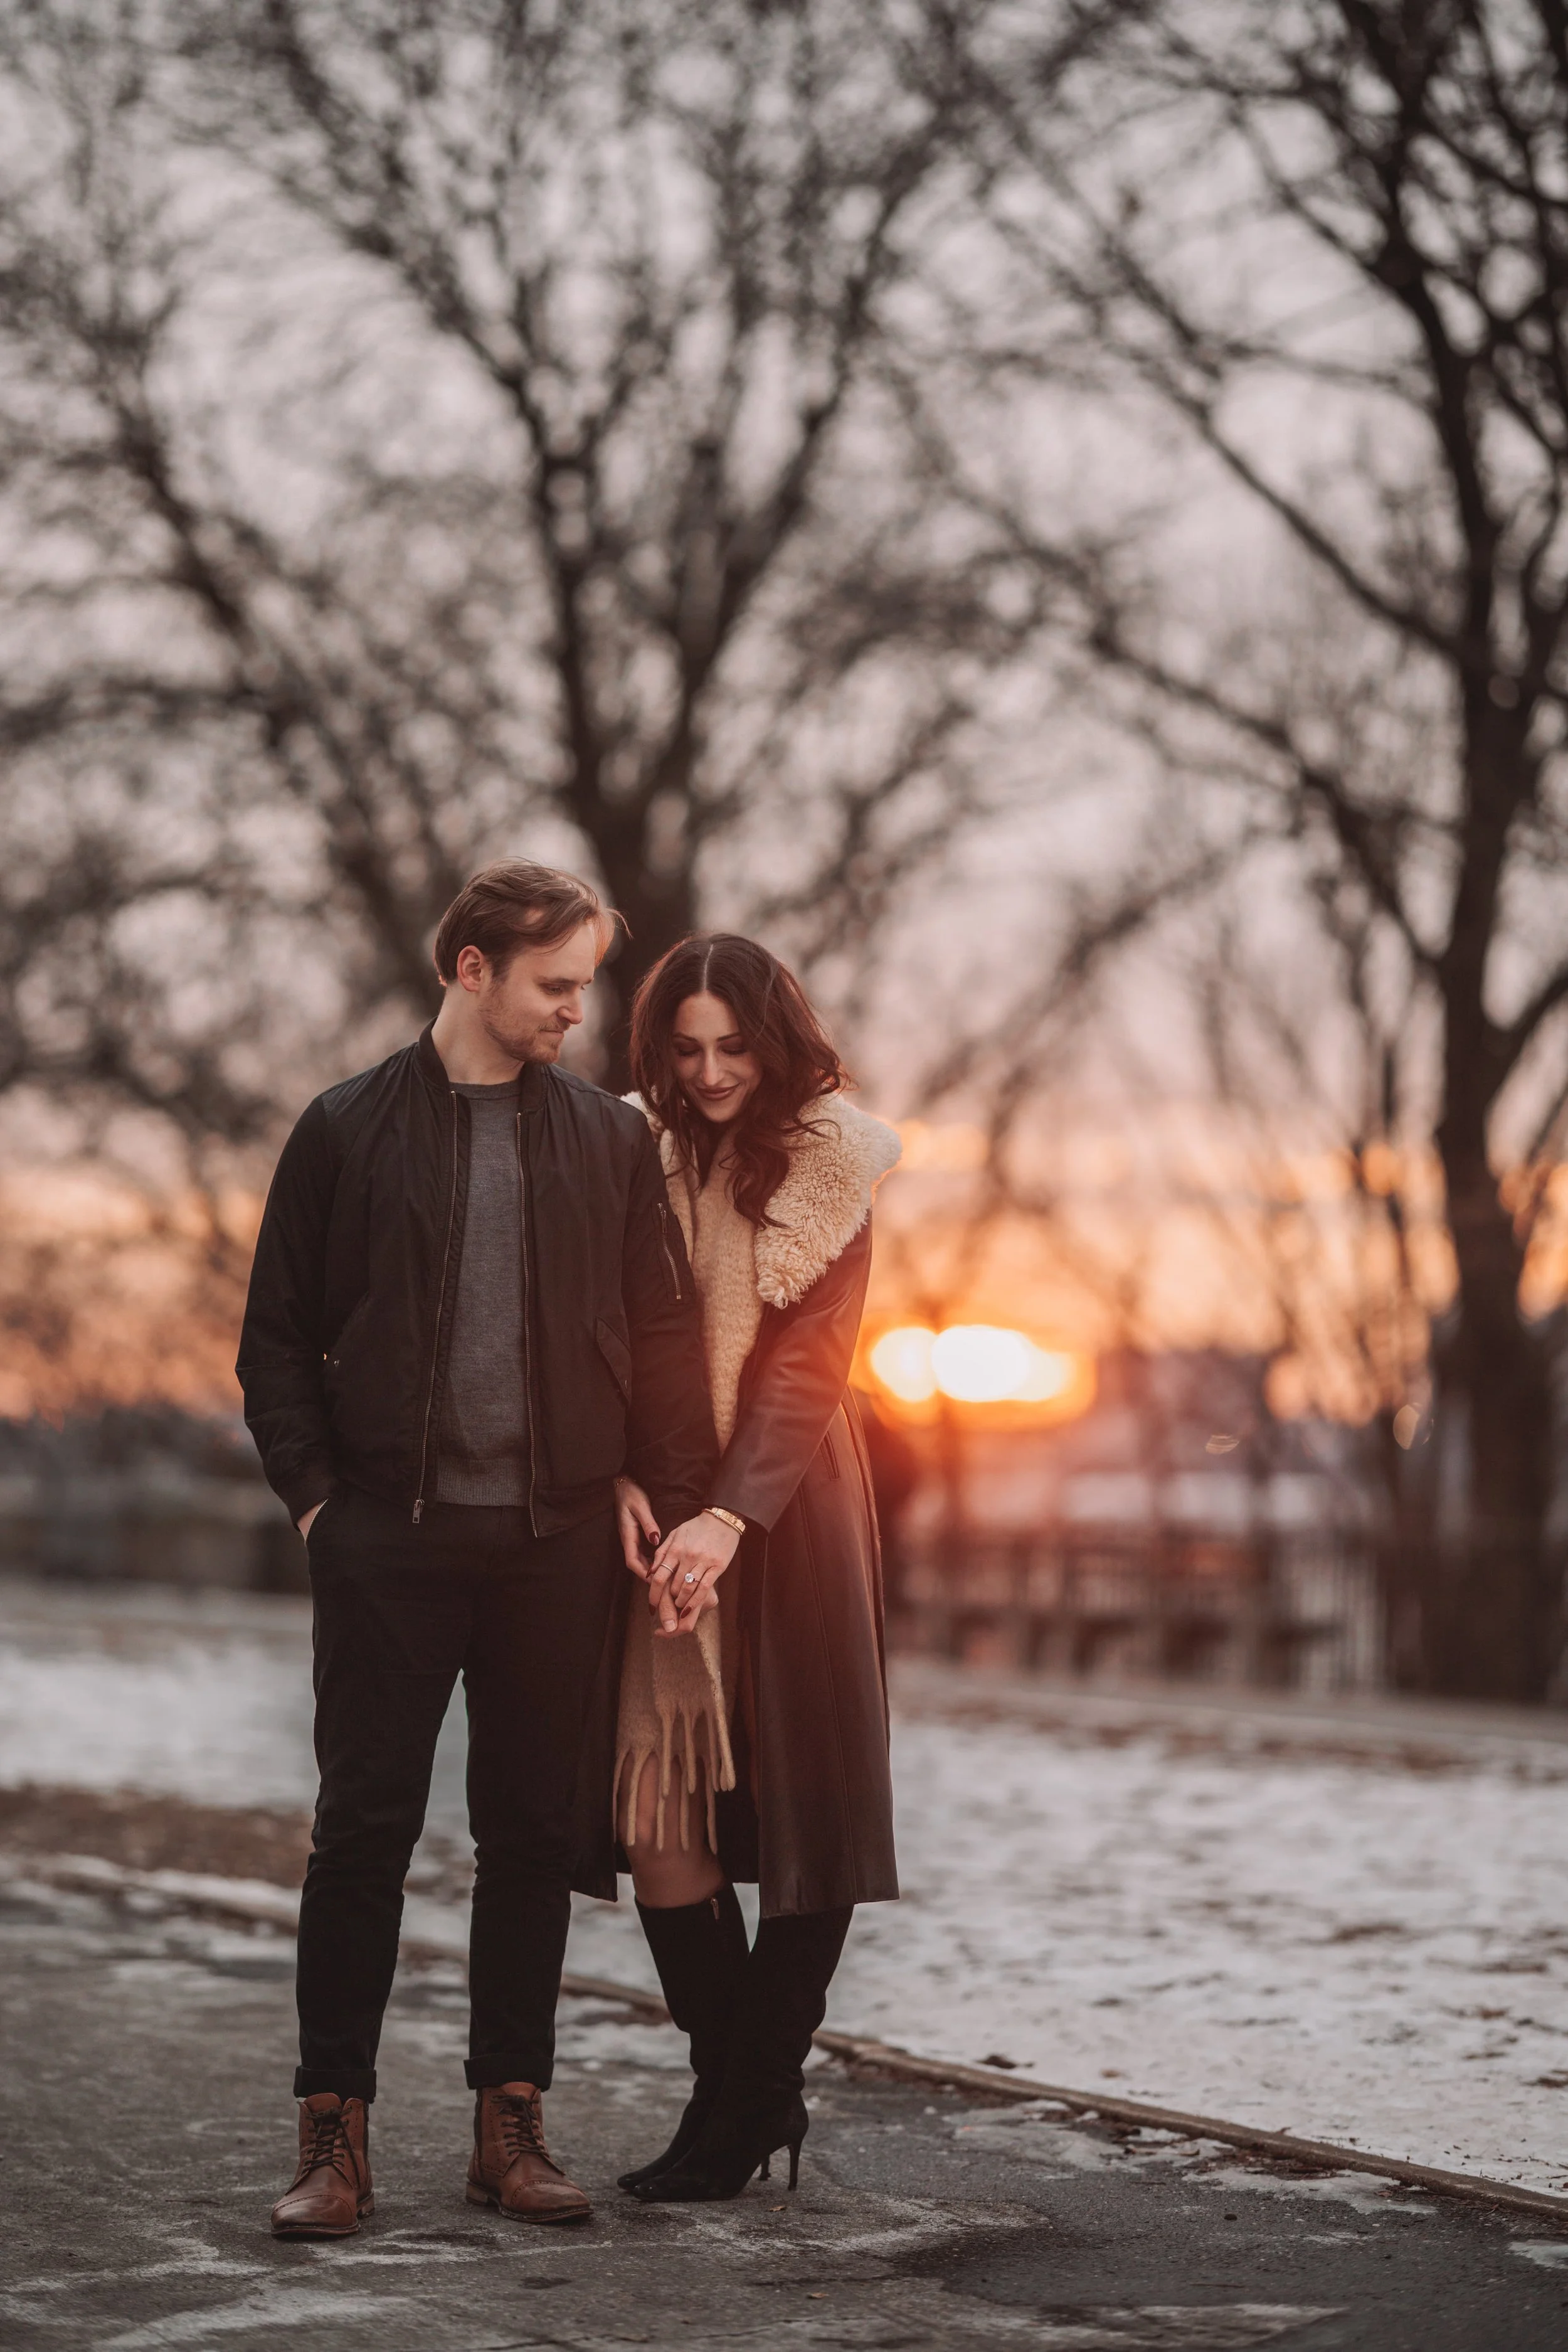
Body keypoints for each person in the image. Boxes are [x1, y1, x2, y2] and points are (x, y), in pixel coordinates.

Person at [236, 861, 716, 2238]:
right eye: (555, 983)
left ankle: (510, 2126)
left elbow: (663, 1332)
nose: (579, 1008)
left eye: (583, 982)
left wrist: (660, 1484)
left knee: (529, 1838)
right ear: (472, 970)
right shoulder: (343, 1128)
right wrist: (323, 1502)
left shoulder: (604, 1141)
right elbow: (274, 1339)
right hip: (387, 1537)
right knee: (362, 1834)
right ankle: (334, 2136)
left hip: (557, 1542)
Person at [610, 934, 901, 2202]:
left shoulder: (831, 1157)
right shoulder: (628, 1151)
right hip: (649, 1510)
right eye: (686, 1047)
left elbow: (806, 1366)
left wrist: (727, 1516)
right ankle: (749, 2086)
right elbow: (594, 1333)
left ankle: (729, 2106)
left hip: (786, 1512)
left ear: (774, 1040)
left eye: (734, 1045)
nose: (712, 1069)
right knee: (654, 1813)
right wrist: (623, 1478)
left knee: (798, 1807)